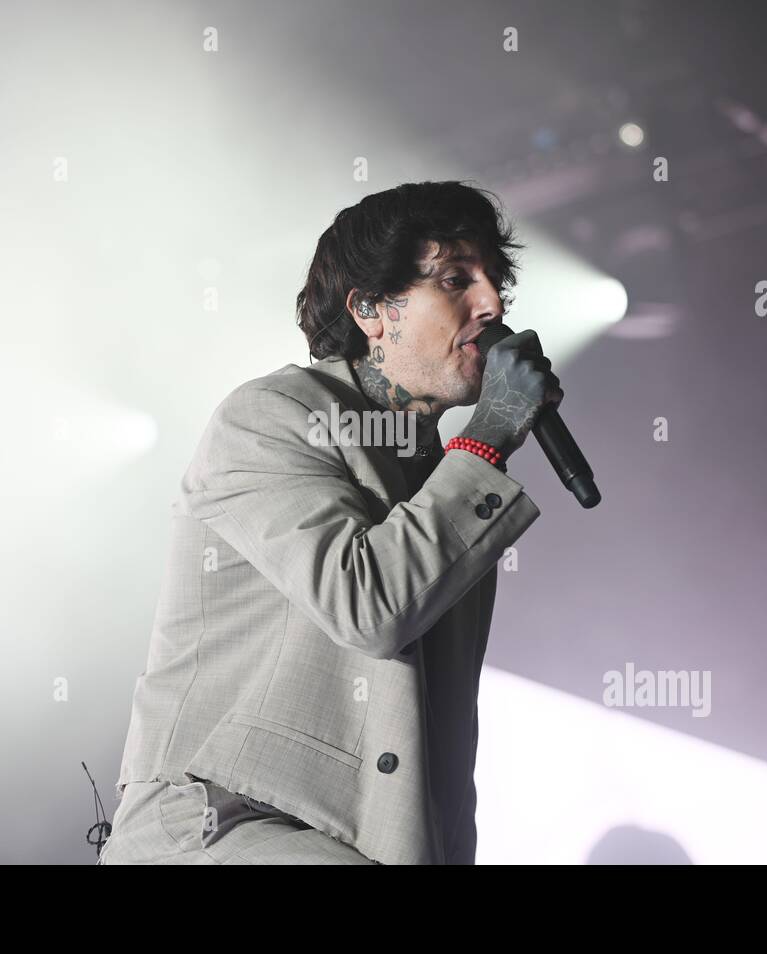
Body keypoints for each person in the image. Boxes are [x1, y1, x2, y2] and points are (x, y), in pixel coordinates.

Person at [100, 180, 563, 865]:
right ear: (372, 310)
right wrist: (490, 435)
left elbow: (437, 731)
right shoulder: (270, 416)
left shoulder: (449, 475)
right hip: (229, 826)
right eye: (456, 280)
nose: (491, 305)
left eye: (495, 283)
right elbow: (368, 606)